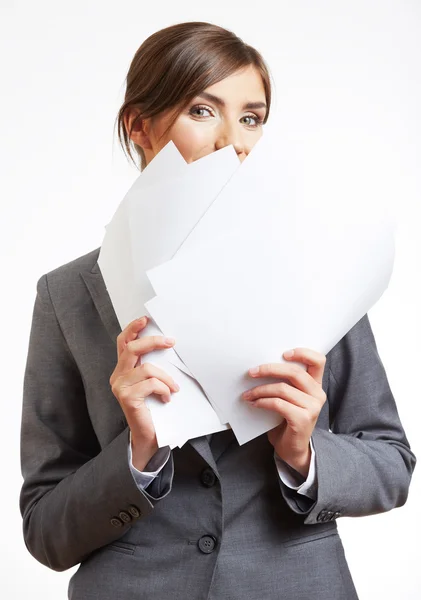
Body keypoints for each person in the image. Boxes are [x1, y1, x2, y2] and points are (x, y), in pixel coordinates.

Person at [19, 21, 416, 600]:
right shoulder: (69, 295)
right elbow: (46, 531)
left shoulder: (319, 272)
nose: (236, 141)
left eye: (252, 117)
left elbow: (392, 465)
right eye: (203, 111)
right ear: (140, 128)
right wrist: (135, 453)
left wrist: (304, 451)